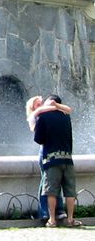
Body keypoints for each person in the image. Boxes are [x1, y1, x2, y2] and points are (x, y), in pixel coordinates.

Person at [33, 94, 82, 227]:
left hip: (51, 159)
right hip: (67, 158)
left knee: (51, 191)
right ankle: (71, 219)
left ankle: (52, 219)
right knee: (70, 191)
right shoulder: (66, 116)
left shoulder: (43, 117)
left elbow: (39, 139)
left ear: (51, 102)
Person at [25, 95, 71, 222]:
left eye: (41, 103)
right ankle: (46, 212)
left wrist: (55, 106)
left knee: (53, 182)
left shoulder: (49, 115)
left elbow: (68, 110)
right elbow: (38, 113)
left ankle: (57, 211)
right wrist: (51, 106)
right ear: (33, 108)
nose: (41, 106)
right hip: (45, 151)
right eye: (37, 104)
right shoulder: (34, 116)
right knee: (48, 183)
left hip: (53, 150)